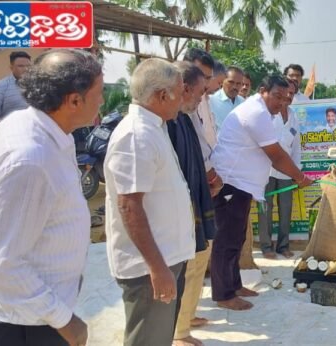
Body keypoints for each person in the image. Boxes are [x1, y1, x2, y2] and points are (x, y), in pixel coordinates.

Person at [0, 49, 103, 346]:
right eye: (99, 92)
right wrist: (64, 321)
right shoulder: (30, 158)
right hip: (26, 322)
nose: (103, 101)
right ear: (74, 100)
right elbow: (1, 265)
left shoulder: (40, 126)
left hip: (39, 310)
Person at [105, 58, 195, 346]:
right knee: (148, 340)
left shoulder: (154, 127)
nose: (183, 99)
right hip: (151, 267)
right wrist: (157, 268)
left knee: (159, 338)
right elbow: (129, 206)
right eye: (180, 93)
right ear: (161, 95)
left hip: (166, 259)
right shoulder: (136, 136)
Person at [211, 76, 313, 311]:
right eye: (277, 96)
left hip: (242, 186)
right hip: (231, 184)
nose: (281, 102)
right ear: (262, 91)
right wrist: (300, 178)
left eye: (286, 97)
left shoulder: (263, 113)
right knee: (226, 241)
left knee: (236, 239)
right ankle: (223, 294)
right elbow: (276, 156)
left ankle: (234, 285)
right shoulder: (256, 112)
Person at [168, 61, 218, 346]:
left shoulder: (185, 118)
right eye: (200, 90)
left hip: (197, 198)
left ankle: (186, 317)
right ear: (185, 88)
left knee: (199, 261)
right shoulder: (167, 122)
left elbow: (200, 154)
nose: (202, 97)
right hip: (182, 208)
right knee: (187, 265)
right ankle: (179, 331)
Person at [257, 80, 300, 260]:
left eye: (291, 94)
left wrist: (297, 173)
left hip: (286, 172)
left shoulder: (294, 117)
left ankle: (283, 246)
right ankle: (266, 247)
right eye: (284, 94)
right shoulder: (267, 114)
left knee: (286, 209)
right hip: (266, 170)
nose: (287, 97)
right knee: (265, 209)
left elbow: (297, 147)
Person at [0, 51, 31, 126]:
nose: (26, 69)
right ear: (11, 68)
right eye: (21, 66)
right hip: (12, 132)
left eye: (28, 66)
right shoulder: (0, 87)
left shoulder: (37, 85)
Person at [210, 66, 246, 131]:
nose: (234, 87)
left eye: (238, 83)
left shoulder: (243, 103)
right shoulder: (212, 100)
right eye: (231, 82)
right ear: (223, 81)